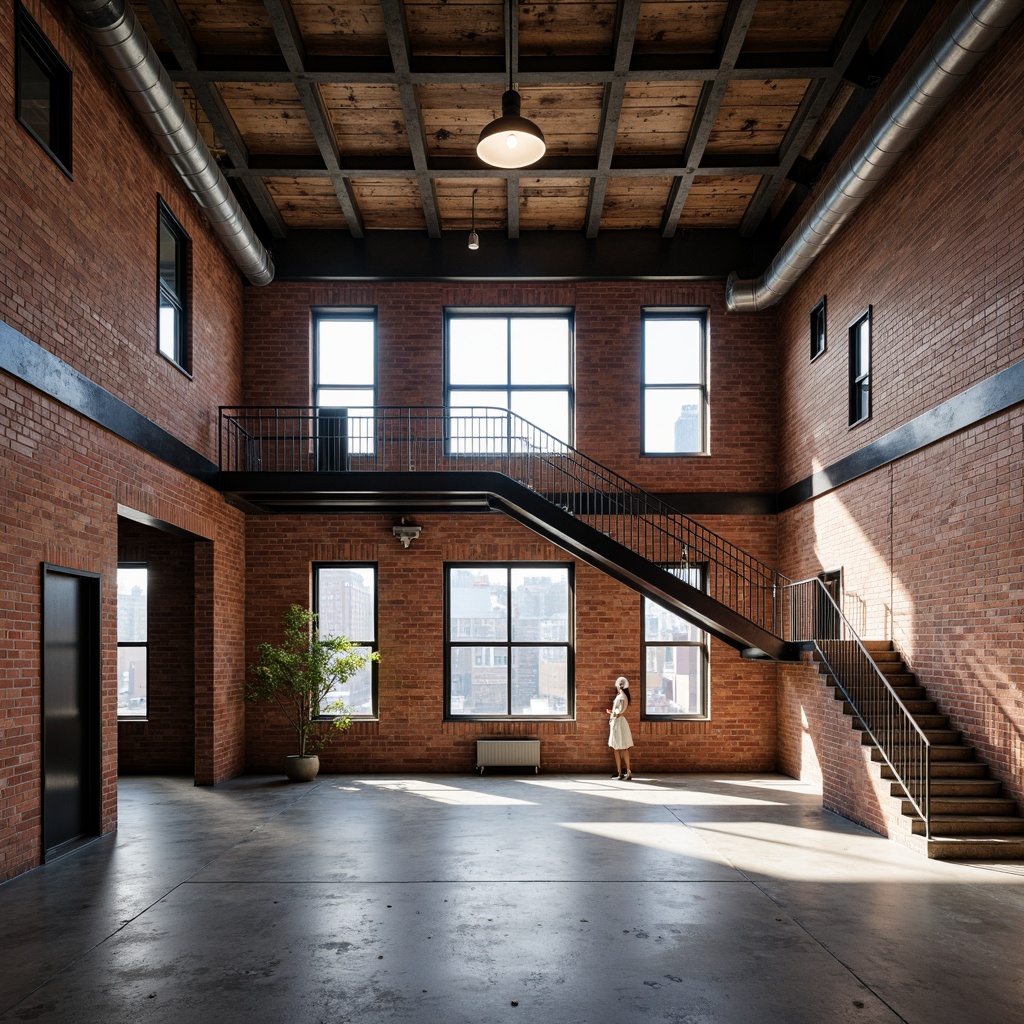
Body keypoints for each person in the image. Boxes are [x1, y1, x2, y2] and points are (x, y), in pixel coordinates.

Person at [606, 675, 634, 780]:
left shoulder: (621, 697)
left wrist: (612, 712)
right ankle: (627, 771)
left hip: (617, 722)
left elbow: (618, 712)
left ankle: (620, 772)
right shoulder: (624, 696)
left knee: (617, 747)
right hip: (621, 722)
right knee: (623, 748)